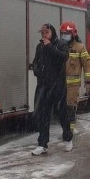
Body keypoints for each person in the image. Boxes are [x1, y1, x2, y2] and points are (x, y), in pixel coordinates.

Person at [31, 23, 70, 156]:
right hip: (43, 86)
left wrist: (50, 46)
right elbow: (35, 62)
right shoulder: (39, 47)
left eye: (46, 33)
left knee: (62, 114)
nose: (44, 36)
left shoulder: (61, 44)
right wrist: (36, 70)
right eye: (42, 33)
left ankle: (68, 138)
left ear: (52, 33)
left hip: (57, 86)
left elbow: (63, 57)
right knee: (43, 116)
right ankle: (42, 144)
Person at [60, 21, 90, 150]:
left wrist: (88, 82)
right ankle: (66, 129)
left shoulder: (80, 47)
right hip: (59, 84)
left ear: (73, 33)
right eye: (63, 33)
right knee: (60, 110)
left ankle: (70, 133)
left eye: (67, 33)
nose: (65, 35)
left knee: (70, 108)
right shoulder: (59, 46)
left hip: (73, 85)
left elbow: (87, 65)